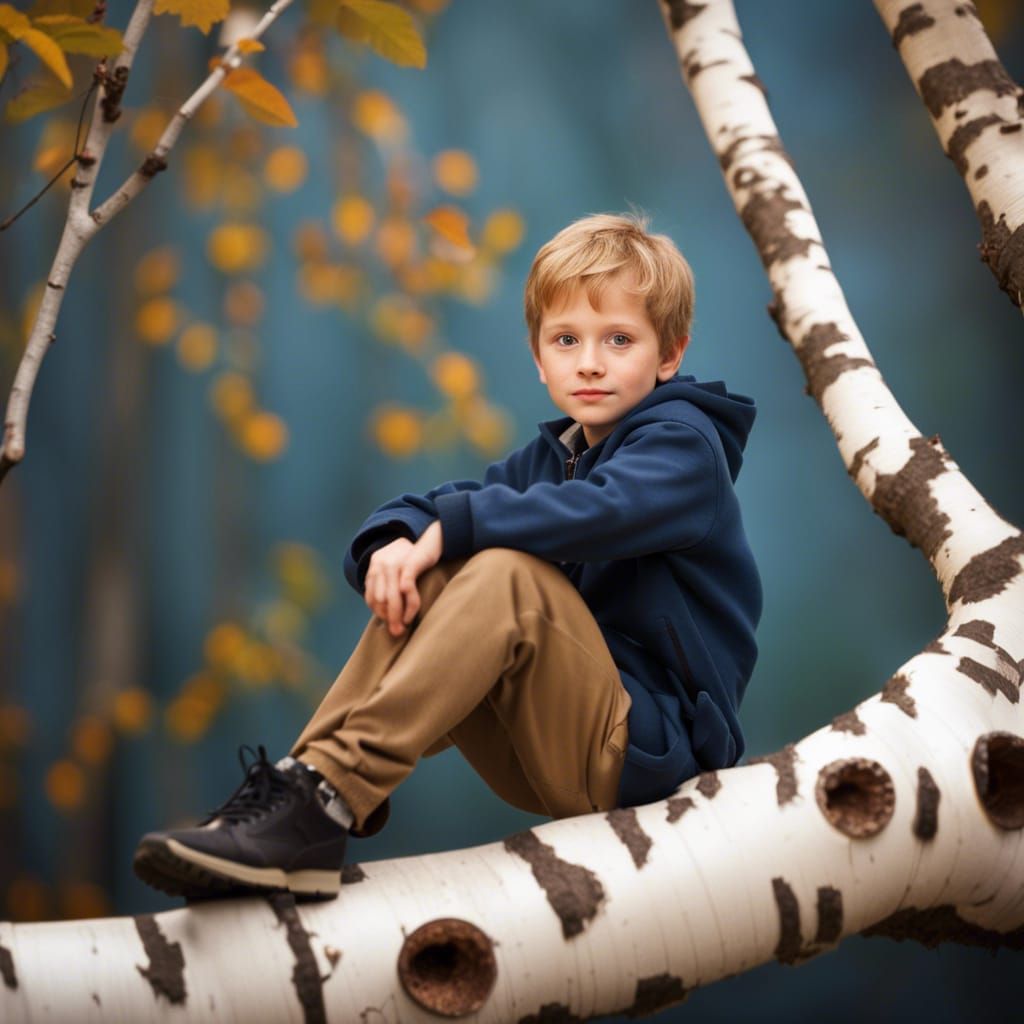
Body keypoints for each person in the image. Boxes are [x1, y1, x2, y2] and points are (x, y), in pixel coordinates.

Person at [132, 212, 762, 900]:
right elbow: (451, 505)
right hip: (550, 745)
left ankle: (330, 794)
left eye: (619, 339)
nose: (589, 361)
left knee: (502, 568)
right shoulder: (556, 458)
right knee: (446, 559)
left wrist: (459, 527)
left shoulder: (685, 448)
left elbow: (606, 509)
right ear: (537, 356)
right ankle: (305, 794)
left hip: (649, 755)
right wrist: (394, 544)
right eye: (566, 339)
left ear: (669, 354)